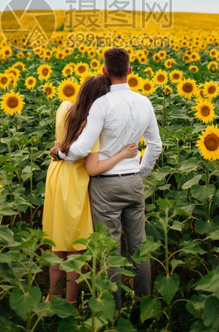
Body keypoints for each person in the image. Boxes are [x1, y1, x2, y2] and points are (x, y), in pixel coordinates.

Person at [52, 47, 162, 309]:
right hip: (133, 181)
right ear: (130, 71)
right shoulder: (144, 102)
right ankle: (142, 305)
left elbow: (81, 149)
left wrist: (60, 154)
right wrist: (139, 171)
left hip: (106, 186)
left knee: (109, 249)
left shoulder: (102, 104)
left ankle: (113, 307)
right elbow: (156, 146)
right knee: (139, 248)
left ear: (104, 71)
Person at [42, 74, 138, 306]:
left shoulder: (63, 108)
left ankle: (51, 297)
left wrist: (57, 148)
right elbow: (93, 167)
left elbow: (59, 144)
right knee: (75, 247)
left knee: (57, 242)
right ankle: (71, 302)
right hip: (75, 184)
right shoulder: (91, 128)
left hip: (55, 176)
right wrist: (122, 155)